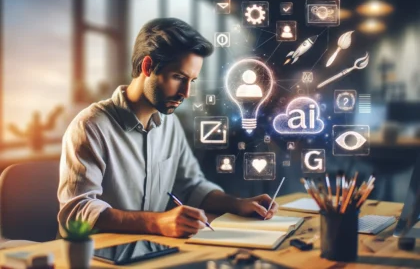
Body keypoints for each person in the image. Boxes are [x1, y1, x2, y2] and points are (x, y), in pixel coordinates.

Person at [58, 18, 279, 238]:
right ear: (147, 66)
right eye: (178, 77)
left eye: (191, 81)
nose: (186, 93)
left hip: (148, 253)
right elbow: (77, 213)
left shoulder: (169, 123)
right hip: (92, 257)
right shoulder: (90, 126)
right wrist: (157, 223)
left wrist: (237, 204)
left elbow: (191, 186)